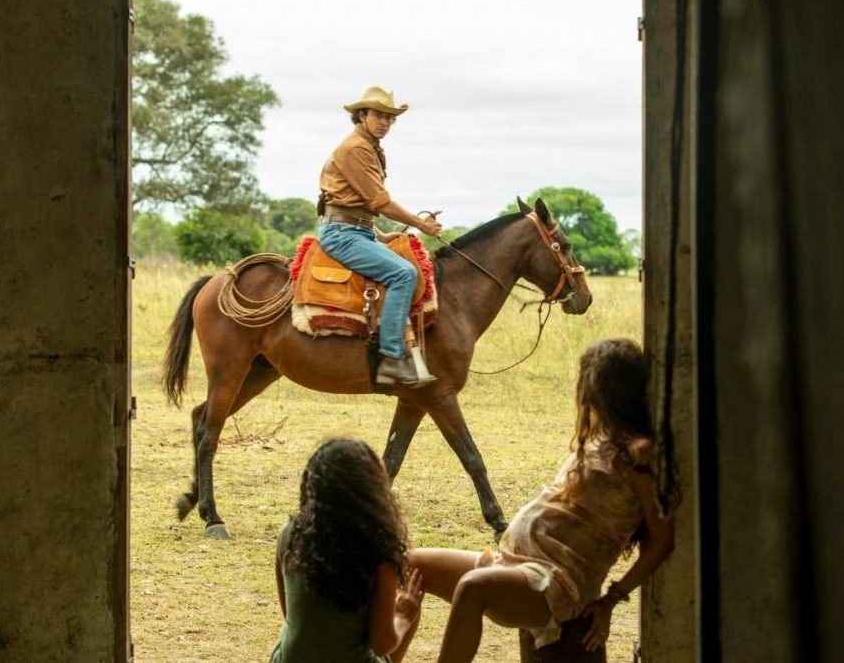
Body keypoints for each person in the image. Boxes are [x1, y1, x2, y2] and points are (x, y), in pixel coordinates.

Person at [409, 338, 678, 662]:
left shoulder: (638, 453)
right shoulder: (597, 437)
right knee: (409, 564)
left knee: (472, 587)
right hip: (513, 563)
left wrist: (612, 598)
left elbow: (662, 539)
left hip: (555, 583)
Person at [318, 86, 443, 386]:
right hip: (342, 234)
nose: (385, 122)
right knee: (404, 274)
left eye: (390, 117)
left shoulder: (370, 147)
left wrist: (378, 234)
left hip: (357, 230)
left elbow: (352, 200)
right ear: (362, 115)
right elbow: (379, 202)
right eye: (378, 115)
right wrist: (420, 224)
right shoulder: (356, 149)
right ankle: (390, 358)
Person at [270, 439, 425, 663]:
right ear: (373, 492)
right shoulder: (380, 549)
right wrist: (402, 617)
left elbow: (289, 613)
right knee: (410, 605)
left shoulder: (289, 533)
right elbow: (382, 645)